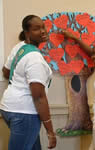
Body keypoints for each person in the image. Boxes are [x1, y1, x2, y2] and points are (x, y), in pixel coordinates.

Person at [0, 15, 56, 150]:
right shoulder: (35, 58)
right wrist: (50, 131)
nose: (43, 31)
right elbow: (38, 97)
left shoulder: (20, 48)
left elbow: (6, 72)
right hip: (25, 112)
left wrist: (20, 77)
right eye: (37, 29)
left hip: (9, 107)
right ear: (27, 33)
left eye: (43, 27)